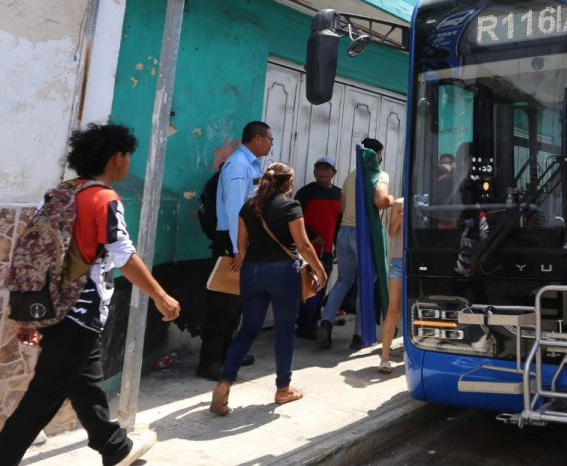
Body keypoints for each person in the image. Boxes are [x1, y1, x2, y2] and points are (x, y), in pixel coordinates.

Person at [0, 123, 181, 466]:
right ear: (117, 158)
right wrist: (161, 295)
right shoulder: (104, 198)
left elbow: (38, 257)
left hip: (54, 305)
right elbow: (124, 255)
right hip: (80, 311)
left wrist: (32, 314)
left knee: (85, 380)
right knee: (45, 395)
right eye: (128, 156)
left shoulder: (59, 193)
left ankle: (115, 448)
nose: (128, 163)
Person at [209, 162, 327, 416]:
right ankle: (283, 388)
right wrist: (320, 270)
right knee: (284, 330)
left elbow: (242, 240)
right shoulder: (290, 206)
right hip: (282, 273)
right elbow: (304, 245)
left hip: (251, 272)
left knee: (249, 329)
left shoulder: (249, 207)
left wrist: (241, 255)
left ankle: (224, 381)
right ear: (286, 183)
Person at [197, 121, 273, 381]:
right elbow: (234, 210)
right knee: (222, 305)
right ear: (258, 139)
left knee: (236, 303)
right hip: (230, 242)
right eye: (269, 139)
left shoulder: (251, 164)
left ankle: (230, 354)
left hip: (241, 242)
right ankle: (210, 363)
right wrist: (237, 248)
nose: (271, 144)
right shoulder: (238, 165)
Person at [318, 138, 393, 350]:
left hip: (344, 233)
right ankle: (359, 335)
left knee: (343, 280)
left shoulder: (351, 176)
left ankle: (326, 322)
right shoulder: (380, 174)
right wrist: (391, 200)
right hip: (365, 236)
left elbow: (342, 209)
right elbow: (380, 200)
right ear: (377, 155)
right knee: (365, 284)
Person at [294, 157, 342, 339]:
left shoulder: (339, 194)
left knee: (320, 287)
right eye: (319, 168)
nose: (323, 172)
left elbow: (338, 223)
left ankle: (312, 323)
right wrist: (313, 235)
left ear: (333, 173)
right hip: (305, 249)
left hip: (327, 251)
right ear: (314, 172)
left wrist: (336, 243)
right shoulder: (305, 193)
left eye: (327, 169)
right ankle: (304, 325)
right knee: (305, 289)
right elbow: (296, 219)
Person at [379, 197, 405, 374]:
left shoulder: (430, 199)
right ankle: (384, 358)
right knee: (394, 308)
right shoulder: (399, 203)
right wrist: (401, 216)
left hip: (420, 259)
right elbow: (392, 232)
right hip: (399, 260)